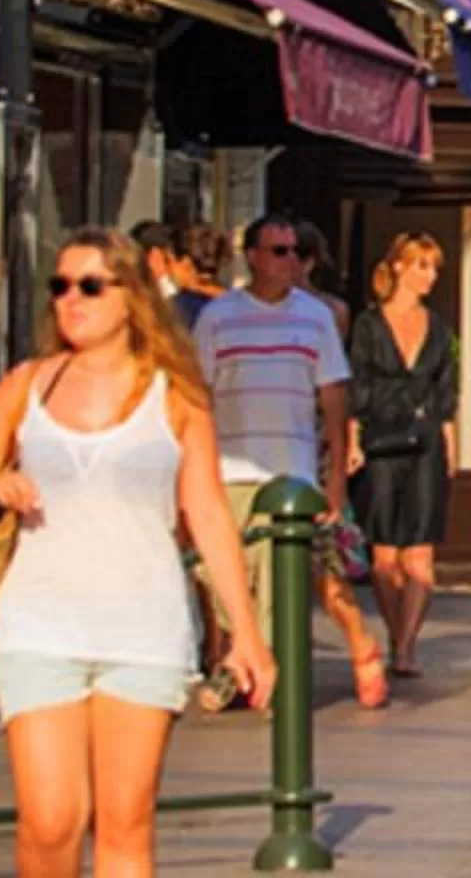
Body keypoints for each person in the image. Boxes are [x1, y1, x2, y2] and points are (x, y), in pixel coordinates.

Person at [0, 229, 273, 877]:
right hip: (39, 626)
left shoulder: (176, 398)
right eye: (60, 286)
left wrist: (246, 634)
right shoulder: (27, 386)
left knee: (125, 822)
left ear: (131, 297)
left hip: (143, 629)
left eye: (90, 285)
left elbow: (205, 513)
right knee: (49, 822)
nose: (71, 299)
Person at [191, 213, 387, 709]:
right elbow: (197, 396)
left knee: (284, 581)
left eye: (296, 252)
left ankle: (268, 677)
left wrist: (336, 477)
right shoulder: (218, 316)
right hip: (229, 468)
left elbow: (334, 397)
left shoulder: (315, 316)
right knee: (221, 575)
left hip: (291, 471)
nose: (290, 261)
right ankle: (246, 656)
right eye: (278, 251)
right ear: (252, 257)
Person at [346, 233, 456, 680]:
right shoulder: (369, 325)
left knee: (420, 555)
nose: (428, 276)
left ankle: (407, 645)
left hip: (425, 438)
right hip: (380, 440)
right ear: (397, 268)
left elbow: (446, 391)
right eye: (420, 266)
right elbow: (355, 386)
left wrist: (448, 443)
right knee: (385, 557)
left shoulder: (440, 327)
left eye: (433, 268)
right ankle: (396, 632)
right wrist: (351, 440)